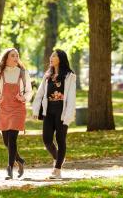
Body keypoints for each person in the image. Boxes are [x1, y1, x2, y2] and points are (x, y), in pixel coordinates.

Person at [32, 49, 77, 180]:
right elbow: (40, 94)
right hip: (49, 111)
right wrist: (35, 110)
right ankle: (58, 158)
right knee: (46, 139)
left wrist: (69, 115)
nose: (51, 58)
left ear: (61, 58)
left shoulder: (70, 76)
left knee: (60, 139)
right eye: (51, 56)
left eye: (54, 56)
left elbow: (71, 97)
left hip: (62, 111)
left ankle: (57, 169)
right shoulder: (47, 76)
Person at [0, 48, 32, 180]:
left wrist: (24, 98)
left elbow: (29, 91)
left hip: (18, 108)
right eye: (12, 56)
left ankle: (9, 168)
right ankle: (19, 160)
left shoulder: (23, 73)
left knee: (12, 139)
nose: (16, 58)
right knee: (6, 141)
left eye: (17, 56)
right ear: (6, 58)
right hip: (3, 108)